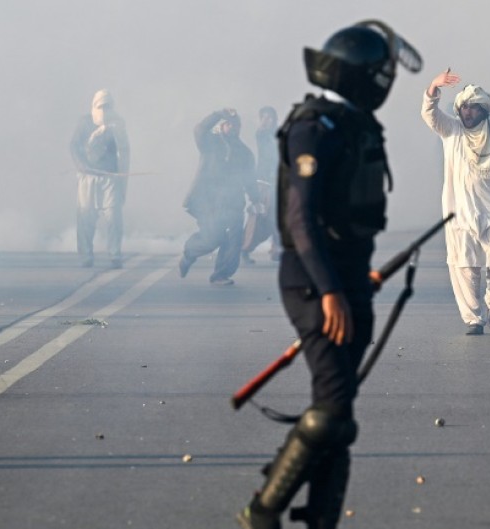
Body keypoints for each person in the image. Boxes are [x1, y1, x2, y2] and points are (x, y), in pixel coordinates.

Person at [235, 20, 421, 529]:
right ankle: (263, 510)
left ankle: (320, 519)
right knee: (333, 409)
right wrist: (333, 291)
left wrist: (356, 281)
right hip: (312, 283)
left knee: (336, 415)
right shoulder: (314, 127)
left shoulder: (354, 123)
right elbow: (301, 220)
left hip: (350, 279)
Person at [421, 70, 490, 335]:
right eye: (463, 107)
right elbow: (430, 115)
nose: (467, 112)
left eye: (473, 107)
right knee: (464, 266)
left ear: (484, 110)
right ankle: (474, 319)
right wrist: (433, 87)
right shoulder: (451, 131)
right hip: (459, 214)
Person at [179, 108, 257, 285]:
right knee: (212, 238)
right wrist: (217, 114)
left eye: (236, 125)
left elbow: (250, 178)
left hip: (234, 202)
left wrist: (256, 199)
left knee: (234, 240)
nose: (232, 127)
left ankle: (221, 274)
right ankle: (189, 254)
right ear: (222, 125)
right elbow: (198, 129)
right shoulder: (209, 142)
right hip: (209, 202)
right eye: (228, 123)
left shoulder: (244, 152)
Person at [70, 89, 130, 268]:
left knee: (113, 217)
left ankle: (115, 254)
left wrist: (121, 176)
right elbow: (73, 145)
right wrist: (80, 164)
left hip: (109, 178)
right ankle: (86, 255)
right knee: (85, 216)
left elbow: (124, 151)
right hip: (88, 177)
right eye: (101, 106)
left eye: (107, 106)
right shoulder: (85, 122)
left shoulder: (118, 123)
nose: (104, 110)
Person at [241, 106, 282, 264]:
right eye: (264, 117)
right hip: (264, 183)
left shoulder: (279, 133)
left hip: (278, 182)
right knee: (258, 217)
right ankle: (244, 248)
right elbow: (263, 137)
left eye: (270, 117)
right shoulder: (262, 134)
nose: (268, 120)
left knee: (278, 218)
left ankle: (277, 250)